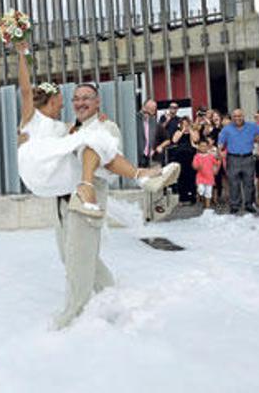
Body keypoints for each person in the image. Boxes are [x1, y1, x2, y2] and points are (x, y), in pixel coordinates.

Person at [49, 82, 178, 330]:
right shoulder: (70, 130)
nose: (80, 102)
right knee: (72, 257)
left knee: (79, 261)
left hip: (87, 202)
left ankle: (73, 317)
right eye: (76, 98)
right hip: (62, 203)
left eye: (87, 97)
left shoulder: (106, 127)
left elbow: (108, 165)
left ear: (98, 102)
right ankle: (110, 294)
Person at [14, 41, 177, 217]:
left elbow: (79, 130)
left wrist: (97, 122)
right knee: (94, 139)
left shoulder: (61, 127)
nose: (62, 110)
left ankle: (140, 176)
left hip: (50, 179)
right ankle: (135, 176)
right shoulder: (31, 118)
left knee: (96, 144)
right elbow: (25, 91)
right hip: (37, 165)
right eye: (60, 105)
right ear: (52, 101)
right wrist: (23, 55)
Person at [218, 109, 259, 214]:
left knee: (249, 183)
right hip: (233, 158)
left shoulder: (252, 126)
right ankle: (235, 205)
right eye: (235, 116)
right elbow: (220, 143)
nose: (237, 118)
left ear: (243, 116)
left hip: (248, 158)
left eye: (239, 116)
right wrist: (219, 152)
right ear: (232, 117)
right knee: (234, 183)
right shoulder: (226, 129)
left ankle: (249, 204)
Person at [170, 116, 198, 204]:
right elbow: (174, 140)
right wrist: (182, 131)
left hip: (190, 156)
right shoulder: (178, 132)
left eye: (187, 124)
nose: (185, 126)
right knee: (181, 176)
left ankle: (192, 196)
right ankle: (183, 197)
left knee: (191, 176)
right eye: (183, 124)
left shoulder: (193, 131)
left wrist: (190, 130)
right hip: (180, 156)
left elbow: (196, 139)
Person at [137, 99, 171, 167]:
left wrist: (160, 146)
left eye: (151, 113)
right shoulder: (134, 121)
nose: (147, 115)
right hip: (137, 158)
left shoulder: (154, 123)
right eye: (145, 112)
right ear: (143, 107)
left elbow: (167, 139)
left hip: (152, 159)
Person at [192, 141, 220, 210]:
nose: (203, 148)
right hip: (200, 177)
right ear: (198, 147)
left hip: (210, 178)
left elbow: (216, 163)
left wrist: (218, 162)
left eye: (205, 146)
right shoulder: (197, 156)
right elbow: (194, 166)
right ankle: (201, 199)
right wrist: (198, 166)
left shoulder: (210, 156)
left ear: (207, 147)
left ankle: (207, 207)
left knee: (208, 193)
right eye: (201, 146)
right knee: (201, 190)